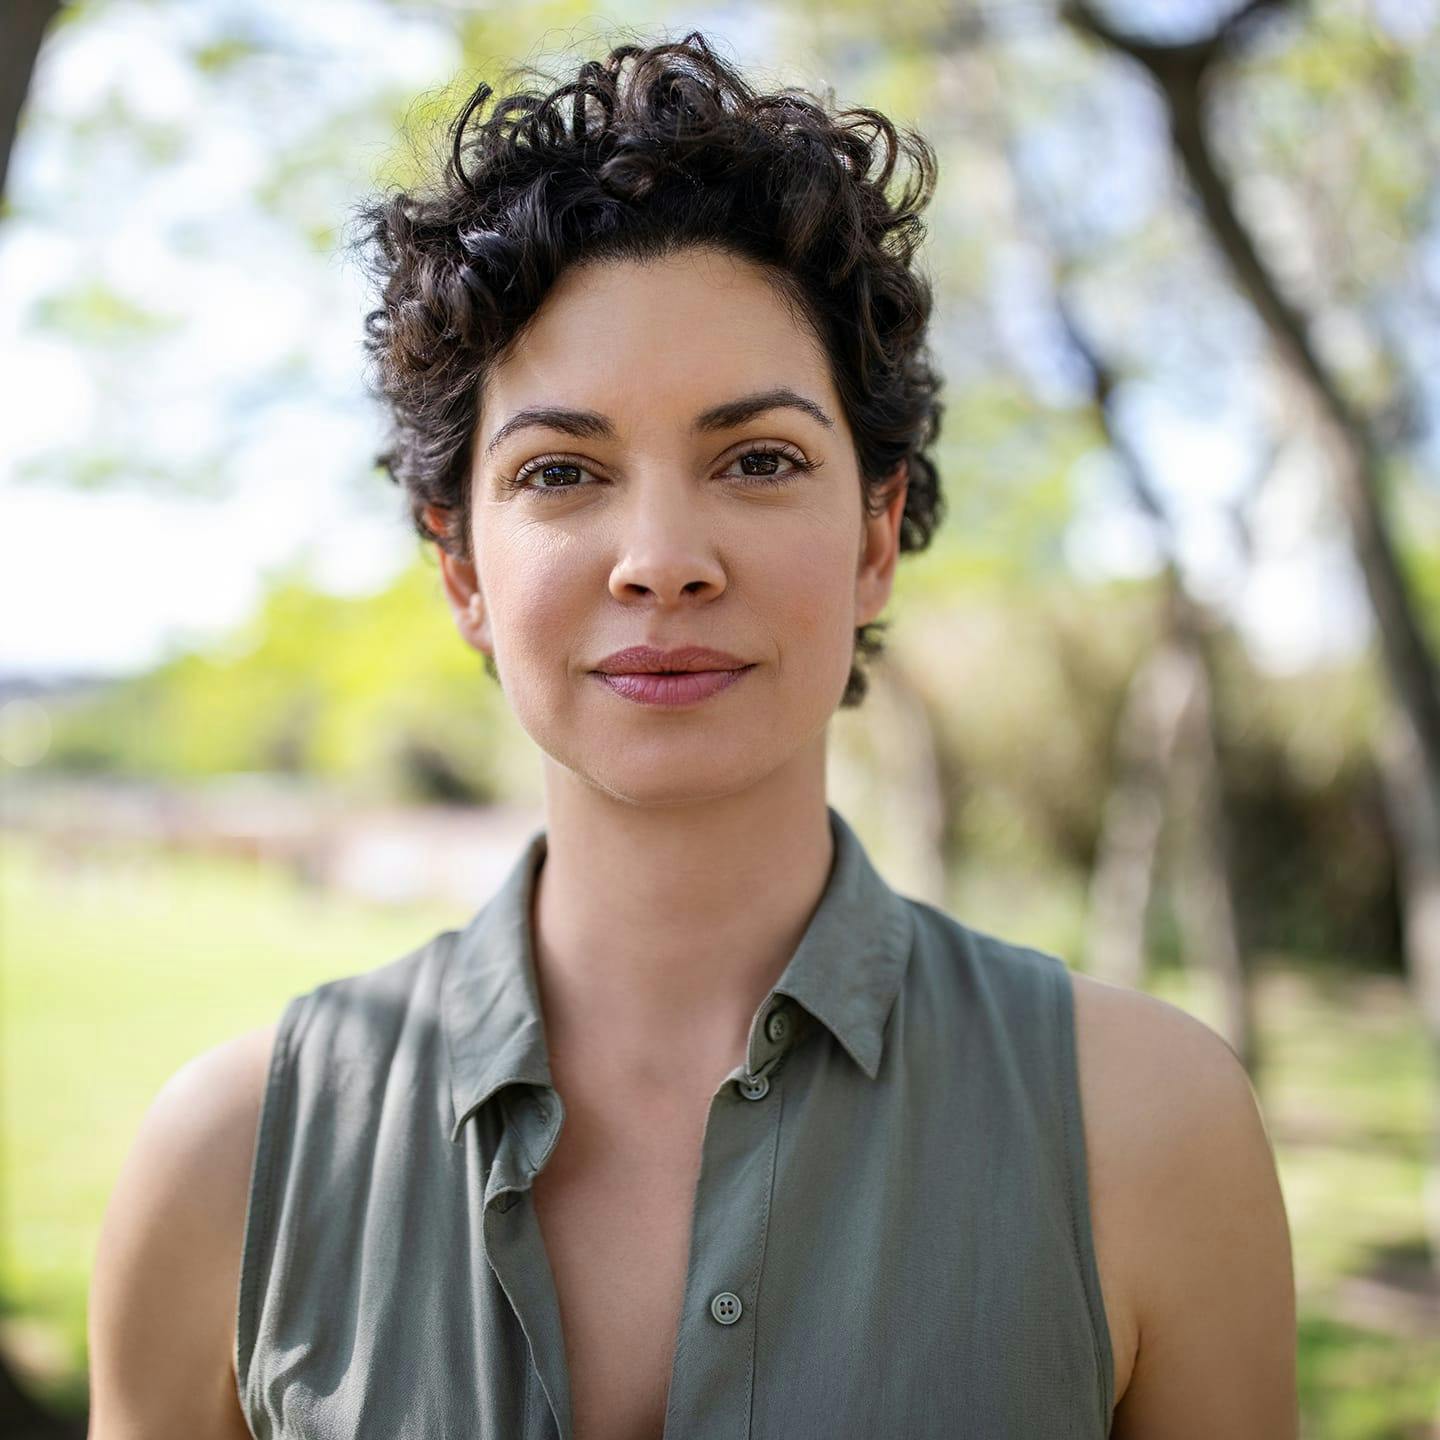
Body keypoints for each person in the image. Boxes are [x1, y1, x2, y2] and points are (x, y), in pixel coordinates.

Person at [85, 29, 1297, 1440]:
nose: (661, 558)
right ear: (463, 569)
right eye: (560, 471)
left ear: (875, 536)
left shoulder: (1147, 1131)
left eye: (759, 459)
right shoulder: (229, 1167)